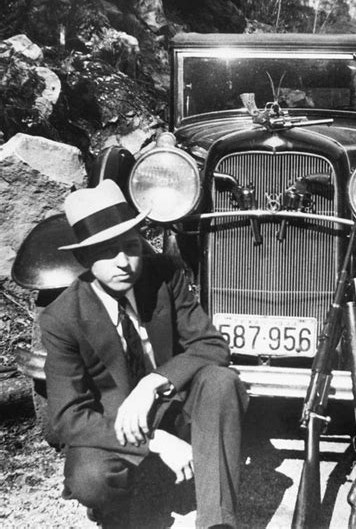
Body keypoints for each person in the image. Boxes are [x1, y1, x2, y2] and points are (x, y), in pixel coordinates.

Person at [40, 179, 248, 528]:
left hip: (171, 404)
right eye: (106, 251)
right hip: (117, 423)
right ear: (83, 258)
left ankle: (218, 520)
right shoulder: (62, 318)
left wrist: (154, 381)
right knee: (90, 479)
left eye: (131, 246)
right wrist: (155, 441)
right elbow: (67, 418)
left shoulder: (164, 274)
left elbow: (212, 346)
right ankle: (128, 504)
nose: (123, 262)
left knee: (220, 381)